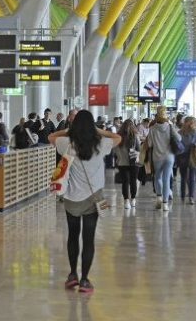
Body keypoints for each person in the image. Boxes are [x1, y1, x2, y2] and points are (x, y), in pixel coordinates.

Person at [49, 110, 121, 293]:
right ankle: (85, 280)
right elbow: (117, 137)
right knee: (88, 240)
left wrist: (69, 130)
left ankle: (72, 274)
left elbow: (51, 136)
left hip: (71, 197)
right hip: (93, 197)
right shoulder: (101, 143)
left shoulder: (67, 142)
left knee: (73, 236)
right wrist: (98, 130)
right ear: (92, 126)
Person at [148, 105, 181, 211]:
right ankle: (165, 204)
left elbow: (149, 144)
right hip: (169, 156)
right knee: (166, 178)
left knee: (157, 177)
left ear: (157, 113)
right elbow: (179, 138)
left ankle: (159, 197)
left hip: (157, 156)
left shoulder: (152, 127)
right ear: (165, 113)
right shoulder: (170, 126)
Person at [112, 119, 140, 209]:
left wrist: (119, 157)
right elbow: (139, 148)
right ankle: (133, 200)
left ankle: (126, 201)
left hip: (122, 162)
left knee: (125, 182)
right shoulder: (135, 135)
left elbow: (114, 149)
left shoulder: (118, 136)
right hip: (134, 162)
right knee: (133, 181)